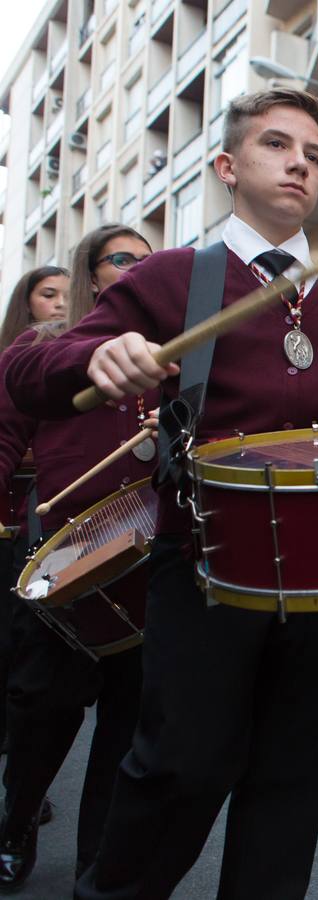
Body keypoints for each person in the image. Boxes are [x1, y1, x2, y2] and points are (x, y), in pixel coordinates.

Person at [6, 89, 318, 900]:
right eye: (277, 146)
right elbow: (27, 370)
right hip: (208, 566)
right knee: (175, 768)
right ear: (227, 167)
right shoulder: (174, 275)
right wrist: (98, 358)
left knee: (291, 783)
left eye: (314, 155)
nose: (299, 164)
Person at [0, 227, 152, 888]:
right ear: (91, 273)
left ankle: (99, 860)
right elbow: (4, 435)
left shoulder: (171, 355)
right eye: (124, 259)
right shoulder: (46, 347)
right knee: (43, 709)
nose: (141, 270)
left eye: (151, 262)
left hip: (149, 559)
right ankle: (17, 820)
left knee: (130, 723)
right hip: (64, 555)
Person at [0, 265, 70, 766]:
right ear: (27, 302)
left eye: (70, 295)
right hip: (17, 522)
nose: (62, 304)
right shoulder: (21, 356)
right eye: (49, 295)